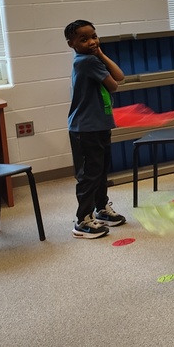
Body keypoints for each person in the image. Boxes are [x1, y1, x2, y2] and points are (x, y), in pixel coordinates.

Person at [65, 19, 126, 239]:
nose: (91, 41)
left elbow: (119, 75)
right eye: (84, 39)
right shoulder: (85, 62)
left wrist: (100, 53)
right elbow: (114, 84)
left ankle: (100, 209)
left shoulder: (92, 58)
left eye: (94, 36)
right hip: (86, 128)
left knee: (100, 171)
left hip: (99, 124)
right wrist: (97, 56)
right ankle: (82, 220)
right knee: (89, 175)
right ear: (71, 43)